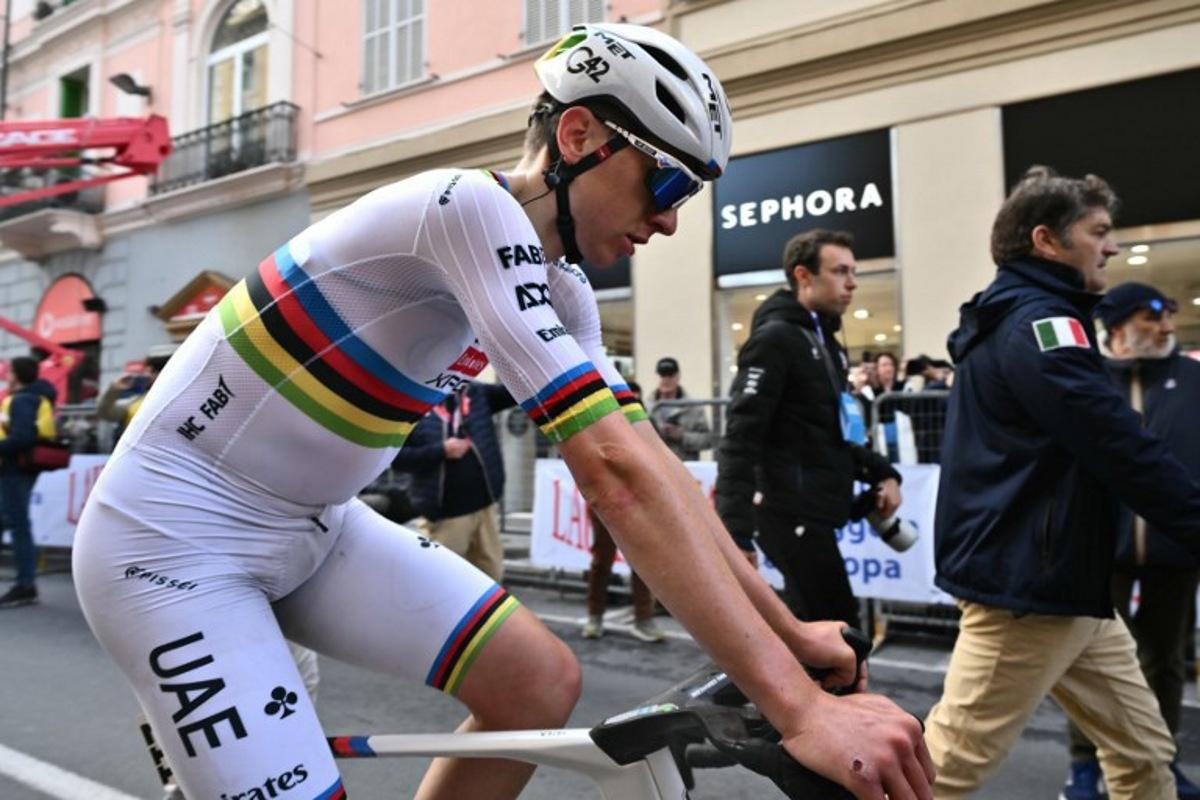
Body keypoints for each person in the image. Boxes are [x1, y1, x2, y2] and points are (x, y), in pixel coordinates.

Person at [71, 23, 931, 800]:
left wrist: (785, 636)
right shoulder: (465, 209)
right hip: (172, 542)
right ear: (579, 135)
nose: (669, 220)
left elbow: (654, 465)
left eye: (690, 195)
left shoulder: (566, 292)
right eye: (665, 180)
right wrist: (801, 713)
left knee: (535, 682)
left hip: (313, 526)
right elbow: (614, 479)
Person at [925, 166, 1200, 800]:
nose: (1111, 247)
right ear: (1047, 240)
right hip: (1025, 589)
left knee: (1144, 752)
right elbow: (1114, 442)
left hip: (1063, 586)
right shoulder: (1040, 326)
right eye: (1099, 232)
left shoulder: (1034, 320)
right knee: (945, 770)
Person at [715, 229, 903, 629]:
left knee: (808, 636)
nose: (852, 283)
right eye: (840, 272)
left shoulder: (827, 341)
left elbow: (833, 433)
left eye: (853, 272)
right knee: (839, 632)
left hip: (816, 512)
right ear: (804, 276)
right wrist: (736, 535)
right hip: (786, 514)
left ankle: (762, 689)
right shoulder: (775, 340)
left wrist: (883, 471)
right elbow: (739, 440)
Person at [1060, 282, 1200, 800]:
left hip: (1178, 548)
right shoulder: (1086, 379)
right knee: (1090, 665)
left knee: (1166, 660)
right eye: (1150, 319)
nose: (1166, 328)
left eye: (1168, 317)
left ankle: (1161, 761)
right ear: (1116, 328)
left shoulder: (1193, 379)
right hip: (1101, 551)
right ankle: (1085, 765)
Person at [391, 381, 517, 581]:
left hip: (485, 506)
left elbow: (515, 390)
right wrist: (442, 451)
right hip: (446, 514)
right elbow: (396, 459)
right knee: (441, 580)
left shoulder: (475, 393)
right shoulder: (413, 402)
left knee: (491, 575)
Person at [582, 379, 664, 643]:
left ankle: (644, 618)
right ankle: (595, 615)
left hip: (636, 500)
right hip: (606, 500)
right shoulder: (598, 424)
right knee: (601, 561)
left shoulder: (642, 424)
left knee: (643, 563)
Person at [0, 356, 57, 608]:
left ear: (17, 374)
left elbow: (22, 437)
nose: (6, 376)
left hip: (14, 469)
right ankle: (25, 582)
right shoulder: (34, 397)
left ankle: (25, 584)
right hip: (17, 469)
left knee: (18, 524)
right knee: (9, 520)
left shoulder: (23, 399)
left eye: (9, 371)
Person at [97, 347, 174, 442]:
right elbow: (105, 412)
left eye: (152, 371)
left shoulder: (184, 400)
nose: (147, 375)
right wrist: (113, 389)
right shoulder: (136, 401)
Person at [647, 356, 713, 461]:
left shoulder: (694, 408)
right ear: (657, 377)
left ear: (678, 377)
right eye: (662, 375)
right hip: (656, 467)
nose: (666, 379)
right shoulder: (646, 408)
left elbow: (708, 440)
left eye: (670, 375)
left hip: (685, 468)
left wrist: (682, 436)